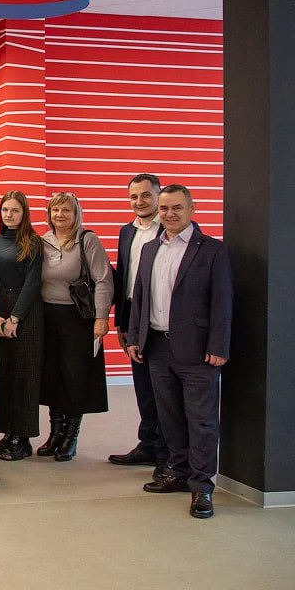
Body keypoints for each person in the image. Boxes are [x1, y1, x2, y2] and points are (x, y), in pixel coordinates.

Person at [127, 185, 231, 520]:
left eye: (177, 208)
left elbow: (222, 301)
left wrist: (218, 345)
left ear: (192, 209)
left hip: (198, 351)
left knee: (201, 420)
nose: (170, 214)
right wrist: (135, 337)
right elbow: (140, 297)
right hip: (157, 347)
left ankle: (202, 487)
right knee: (169, 416)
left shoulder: (212, 250)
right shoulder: (150, 249)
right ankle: (179, 471)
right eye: (165, 208)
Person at [38, 191, 113, 462]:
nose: (60, 215)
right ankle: (55, 434)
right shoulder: (43, 241)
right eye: (55, 210)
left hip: (78, 318)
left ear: (76, 213)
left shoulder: (87, 240)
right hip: (48, 316)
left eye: (66, 210)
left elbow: (103, 279)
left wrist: (101, 318)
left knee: (75, 377)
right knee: (53, 376)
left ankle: (71, 437)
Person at [109, 173, 168, 472]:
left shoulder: (171, 229)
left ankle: (168, 451)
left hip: (160, 314)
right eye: (134, 196)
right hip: (133, 312)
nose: (139, 201)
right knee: (143, 384)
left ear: (158, 195)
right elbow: (124, 278)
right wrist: (121, 323)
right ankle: (148, 444)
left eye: (146, 195)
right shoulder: (126, 232)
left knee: (164, 387)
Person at [0, 191, 44, 461]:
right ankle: (8, 432)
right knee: (4, 374)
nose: (9, 215)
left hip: (26, 312)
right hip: (0, 309)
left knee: (24, 375)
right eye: (5, 210)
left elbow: (33, 282)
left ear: (24, 213)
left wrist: (15, 318)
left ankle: (23, 437)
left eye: (15, 210)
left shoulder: (33, 241)